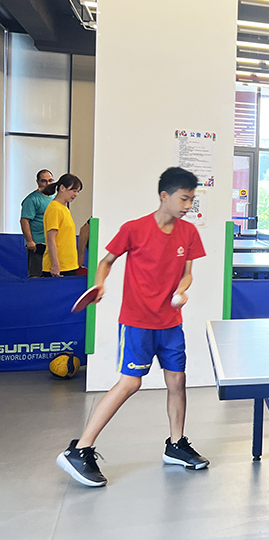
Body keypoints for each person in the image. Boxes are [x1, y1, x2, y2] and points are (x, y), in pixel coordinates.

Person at [56, 167, 209, 488]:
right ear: (164, 196)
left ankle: (176, 445)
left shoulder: (189, 233)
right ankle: (79, 449)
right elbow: (105, 261)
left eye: (191, 200)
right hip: (137, 322)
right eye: (183, 198)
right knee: (130, 383)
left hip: (171, 323)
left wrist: (182, 290)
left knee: (177, 381)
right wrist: (100, 284)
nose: (187, 205)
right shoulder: (134, 229)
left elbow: (187, 272)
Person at [42, 174, 83, 277]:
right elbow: (51, 239)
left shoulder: (64, 209)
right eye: (74, 190)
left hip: (70, 265)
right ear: (62, 188)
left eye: (78, 191)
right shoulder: (54, 209)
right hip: (59, 267)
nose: (76, 194)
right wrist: (55, 264)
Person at [20, 169, 54, 277]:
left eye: (50, 180)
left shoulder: (55, 198)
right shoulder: (31, 199)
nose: (48, 184)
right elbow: (24, 221)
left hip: (51, 244)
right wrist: (30, 241)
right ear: (38, 182)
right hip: (37, 244)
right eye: (44, 181)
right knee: (36, 275)